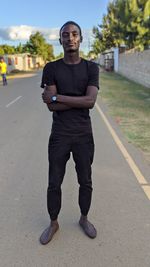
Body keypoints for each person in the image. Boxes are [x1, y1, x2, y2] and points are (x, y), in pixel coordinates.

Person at [40, 21, 99, 245]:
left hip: (84, 134)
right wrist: (76, 101)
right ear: (60, 40)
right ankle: (53, 222)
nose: (70, 38)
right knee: (54, 182)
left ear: (81, 39)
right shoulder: (52, 68)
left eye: (75, 34)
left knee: (86, 180)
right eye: (66, 35)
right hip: (60, 135)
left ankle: (84, 218)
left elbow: (90, 101)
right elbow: (50, 106)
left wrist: (58, 96)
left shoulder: (91, 68)